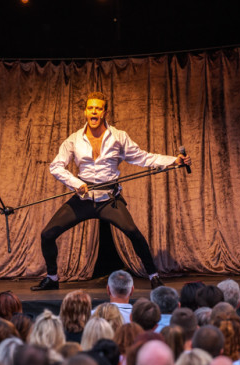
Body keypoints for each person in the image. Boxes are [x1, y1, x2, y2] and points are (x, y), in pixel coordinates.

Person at [30, 91, 191, 291]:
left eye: (98, 108)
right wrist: (75, 183)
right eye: (90, 108)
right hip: (84, 198)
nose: (94, 111)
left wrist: (173, 161)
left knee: (134, 233)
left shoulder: (119, 137)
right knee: (47, 234)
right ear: (85, 112)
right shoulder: (73, 140)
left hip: (109, 200)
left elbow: (143, 158)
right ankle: (52, 279)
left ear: (105, 112)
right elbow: (56, 166)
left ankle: (154, 276)